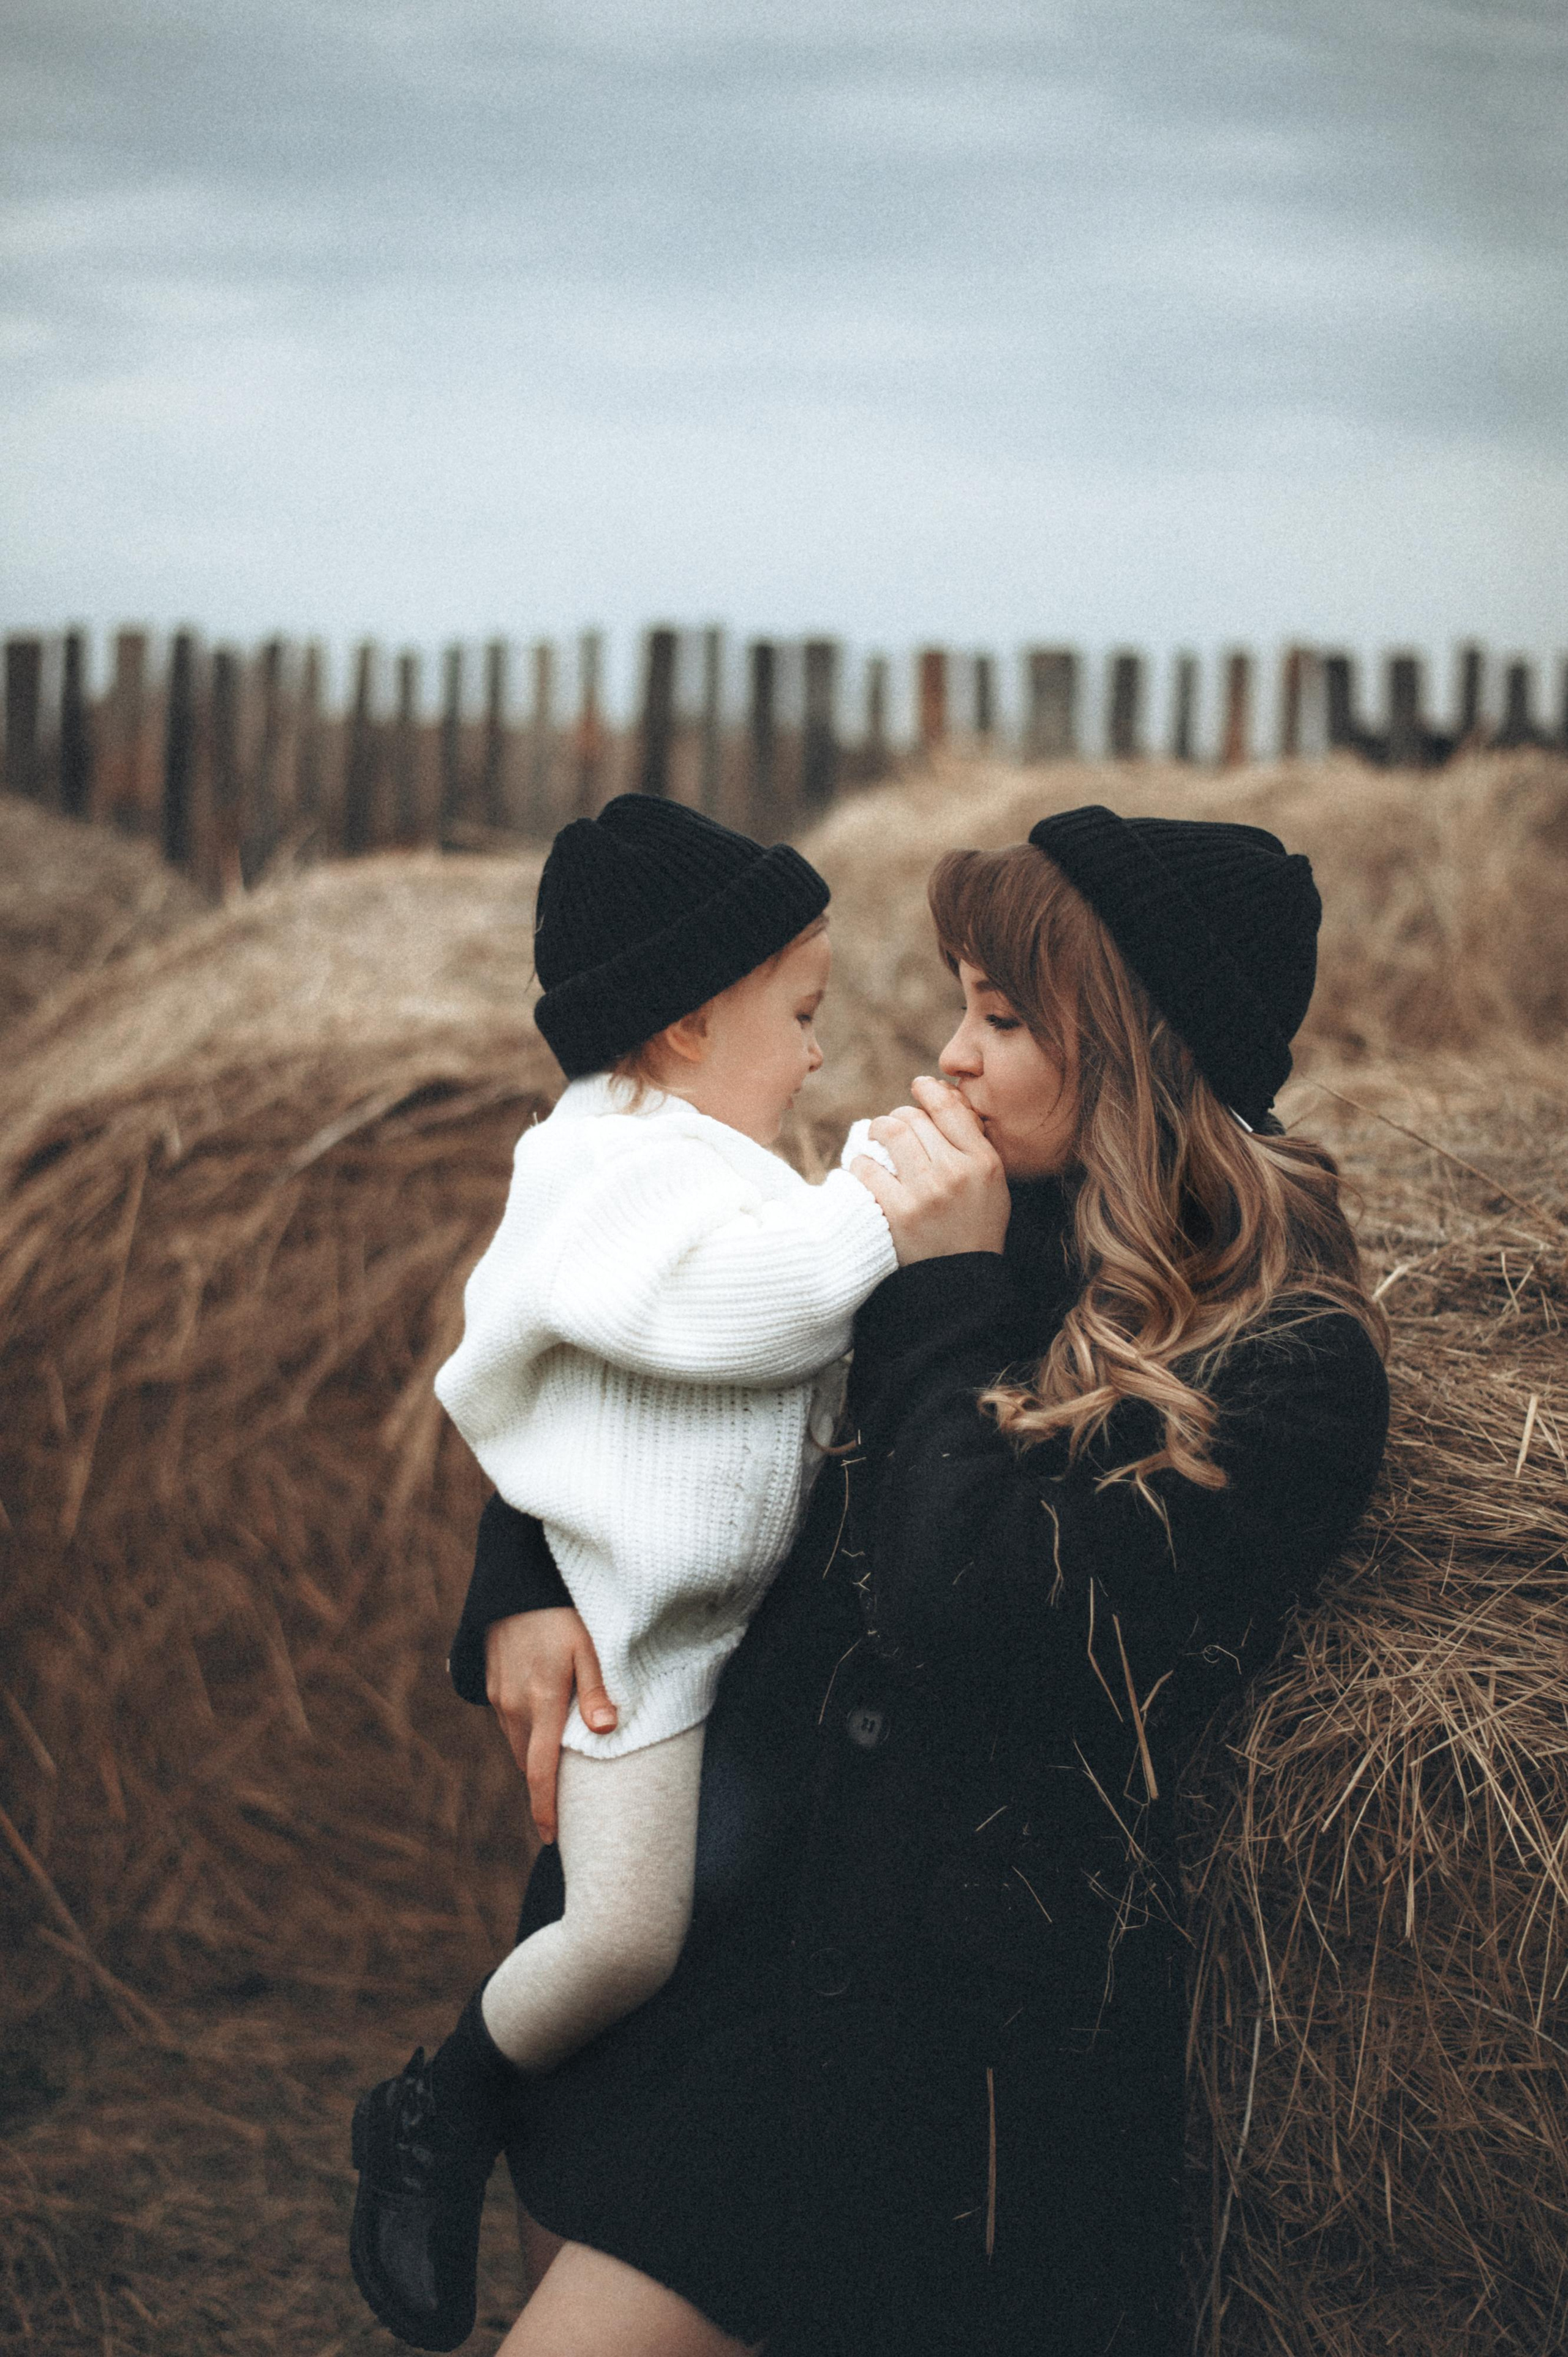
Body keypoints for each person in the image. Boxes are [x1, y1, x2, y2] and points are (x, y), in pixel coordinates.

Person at [444, 808, 1392, 2355]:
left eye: (1003, 1018)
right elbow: (656, 1353)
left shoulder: (1284, 1367)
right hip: (736, 1951)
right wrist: (521, 1566)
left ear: (1141, 1053)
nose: (947, 1055)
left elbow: (982, 1610)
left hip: (943, 2068)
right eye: (960, 1003)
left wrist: (941, 1289)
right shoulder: (982, 1222)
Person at [349, 793, 897, 2352]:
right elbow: (758, 1314)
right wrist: (889, 1194)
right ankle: (436, 2101)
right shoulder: (609, 1170)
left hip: (722, 1651)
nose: (812, 1057)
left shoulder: (705, 1160)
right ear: (676, 1024)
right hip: (650, 1652)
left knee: (648, 1945)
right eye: (796, 1018)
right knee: (620, 1937)